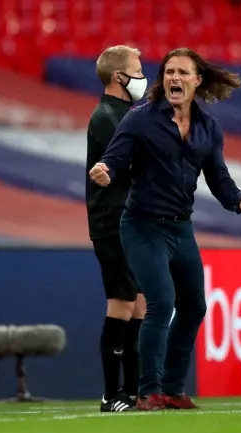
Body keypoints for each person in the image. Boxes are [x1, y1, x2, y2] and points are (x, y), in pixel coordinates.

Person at [89, 47, 241, 411]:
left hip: (181, 230)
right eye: (169, 72)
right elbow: (116, 156)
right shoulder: (139, 119)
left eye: (183, 72)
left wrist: (240, 201)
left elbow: (219, 179)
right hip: (142, 226)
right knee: (162, 303)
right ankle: (148, 391)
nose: (174, 78)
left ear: (197, 80)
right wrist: (105, 168)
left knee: (195, 306)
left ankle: (171, 388)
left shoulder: (208, 128)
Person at [85, 45, 148, 413]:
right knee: (122, 303)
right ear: (118, 77)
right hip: (113, 222)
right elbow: (132, 164)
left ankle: (135, 391)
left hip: (132, 221)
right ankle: (112, 394)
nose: (142, 77)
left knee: (138, 305)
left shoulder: (127, 114)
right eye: (136, 71)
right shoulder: (107, 116)